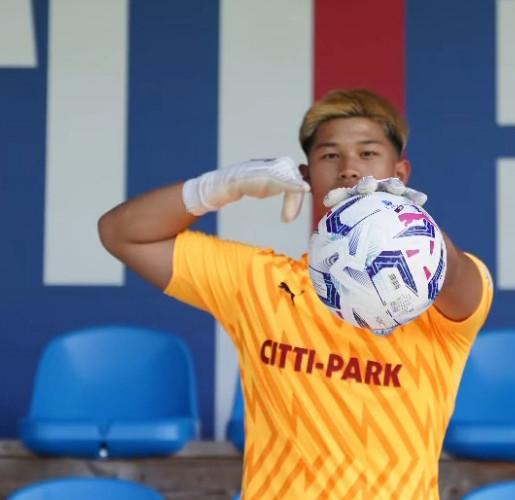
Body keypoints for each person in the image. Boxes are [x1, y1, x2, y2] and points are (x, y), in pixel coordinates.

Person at [98, 88, 493, 499]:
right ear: (307, 177)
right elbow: (121, 234)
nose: (349, 170)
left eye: (368, 154)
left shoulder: (430, 291)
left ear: (401, 173)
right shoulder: (258, 281)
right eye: (329, 156)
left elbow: (459, 279)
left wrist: (414, 227)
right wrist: (222, 186)